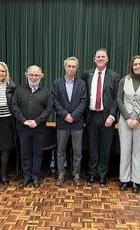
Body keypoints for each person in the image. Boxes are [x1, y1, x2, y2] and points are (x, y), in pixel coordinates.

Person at [82, 48, 119, 187]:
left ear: (107, 59)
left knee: (105, 148)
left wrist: (112, 116)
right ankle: (92, 174)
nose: (101, 58)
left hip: (107, 118)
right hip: (91, 117)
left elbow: (117, 99)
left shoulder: (114, 76)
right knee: (92, 148)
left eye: (103, 56)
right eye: (98, 56)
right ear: (94, 59)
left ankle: (102, 175)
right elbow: (83, 95)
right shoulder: (87, 74)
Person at [12, 65, 53, 188]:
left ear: (41, 76)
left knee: (37, 153)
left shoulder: (46, 91)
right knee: (25, 153)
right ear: (27, 75)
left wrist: (37, 121)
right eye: (31, 75)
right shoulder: (19, 90)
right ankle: (26, 177)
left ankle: (35, 177)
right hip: (23, 128)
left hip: (38, 128)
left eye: (36, 75)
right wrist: (24, 121)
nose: (34, 77)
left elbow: (49, 108)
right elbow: (14, 106)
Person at [117, 55, 140, 193]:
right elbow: (119, 100)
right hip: (125, 120)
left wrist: (138, 119)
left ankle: (136, 181)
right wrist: (127, 118)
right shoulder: (124, 81)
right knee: (125, 150)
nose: (137, 66)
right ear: (131, 66)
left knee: (139, 150)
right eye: (135, 64)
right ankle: (124, 179)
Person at [52, 57, 87, 187]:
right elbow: (54, 101)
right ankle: (61, 174)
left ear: (76, 69)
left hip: (77, 123)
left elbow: (84, 101)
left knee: (77, 151)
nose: (71, 69)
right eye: (69, 66)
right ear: (65, 67)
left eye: (74, 67)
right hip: (62, 122)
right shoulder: (57, 83)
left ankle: (76, 175)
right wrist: (66, 115)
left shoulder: (82, 84)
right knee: (60, 150)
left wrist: (74, 115)